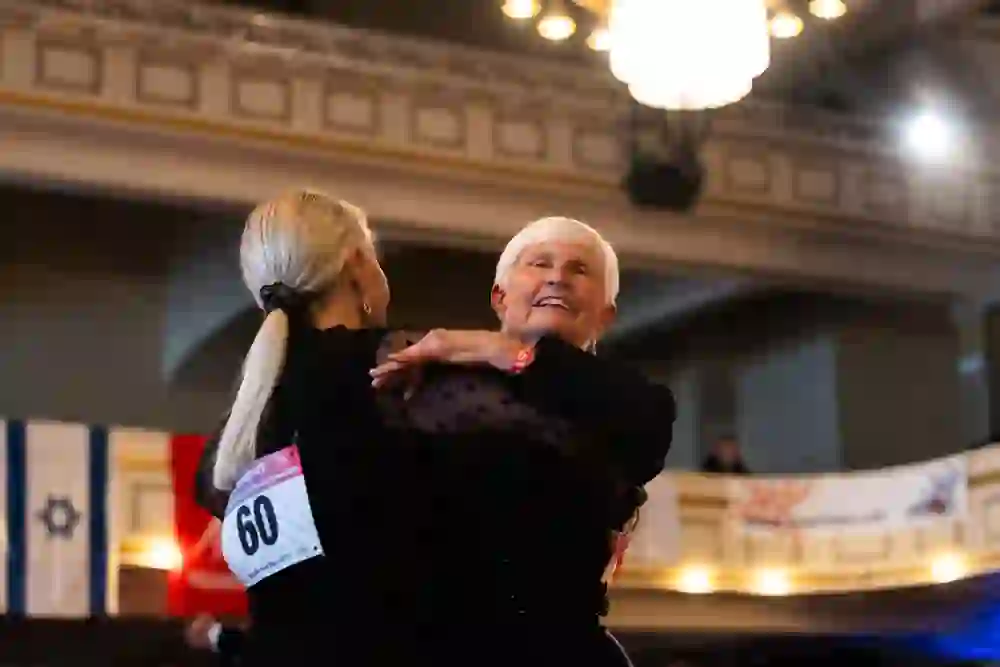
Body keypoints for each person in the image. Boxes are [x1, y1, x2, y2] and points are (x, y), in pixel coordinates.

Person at [197, 202, 674, 667]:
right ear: (359, 266)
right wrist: (500, 350)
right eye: (540, 263)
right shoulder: (404, 373)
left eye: (579, 270)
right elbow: (644, 425)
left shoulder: (242, 426)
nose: (556, 277)